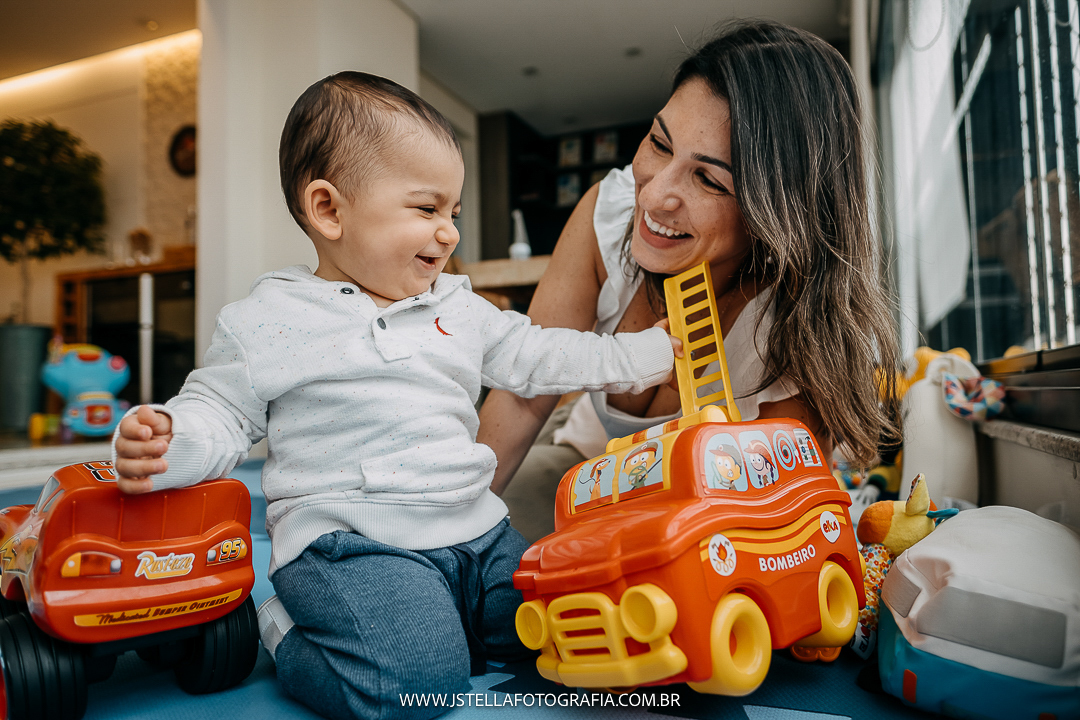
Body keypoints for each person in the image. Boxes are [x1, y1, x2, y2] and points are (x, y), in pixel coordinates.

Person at [111, 71, 677, 720]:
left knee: (564, 628)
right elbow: (220, 409)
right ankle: (284, 628)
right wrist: (170, 442)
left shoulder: (458, 308)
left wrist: (647, 354)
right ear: (329, 210)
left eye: (454, 213)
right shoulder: (269, 318)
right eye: (427, 209)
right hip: (352, 545)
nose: (449, 233)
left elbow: (544, 352)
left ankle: (448, 620)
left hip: (478, 532)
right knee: (414, 686)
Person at [479, 19, 902, 542]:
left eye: (707, 178)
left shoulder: (796, 333)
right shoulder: (608, 215)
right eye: (660, 142)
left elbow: (765, 532)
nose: (655, 197)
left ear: (777, 213)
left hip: (706, 517)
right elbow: (525, 392)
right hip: (581, 465)